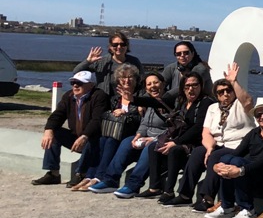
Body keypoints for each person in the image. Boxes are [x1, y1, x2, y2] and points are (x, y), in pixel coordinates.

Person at [168, 63, 254, 208]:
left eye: (228, 90)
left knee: (215, 156)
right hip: (217, 144)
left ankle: (207, 198)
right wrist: (209, 148)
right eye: (221, 92)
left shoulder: (240, 106)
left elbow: (247, 101)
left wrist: (233, 82)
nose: (225, 94)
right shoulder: (213, 108)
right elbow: (206, 132)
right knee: (198, 153)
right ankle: (184, 194)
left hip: (237, 145)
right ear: (216, 95)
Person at [206, 101, 263, 218]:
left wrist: (241, 170)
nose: (262, 117)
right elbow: (237, 152)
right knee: (227, 159)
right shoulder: (254, 133)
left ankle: (248, 209)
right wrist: (218, 165)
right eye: (258, 115)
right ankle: (227, 207)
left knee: (237, 162)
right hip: (251, 173)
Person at [32, 70, 110, 187]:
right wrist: (48, 130)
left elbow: (97, 120)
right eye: (73, 82)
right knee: (54, 133)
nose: (75, 85)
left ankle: (81, 173)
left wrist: (84, 136)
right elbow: (58, 115)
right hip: (76, 137)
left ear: (91, 85)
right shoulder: (68, 96)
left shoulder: (99, 96)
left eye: (79, 83)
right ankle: (53, 173)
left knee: (91, 138)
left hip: (94, 140)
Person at [111, 71, 175, 199]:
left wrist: (154, 138)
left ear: (163, 84)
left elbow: (174, 128)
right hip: (147, 137)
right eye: (149, 84)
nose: (153, 86)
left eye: (156, 83)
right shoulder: (149, 102)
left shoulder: (170, 101)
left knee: (150, 147)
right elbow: (145, 123)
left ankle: (133, 185)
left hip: (164, 140)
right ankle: (110, 180)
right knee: (127, 142)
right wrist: (138, 135)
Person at [82, 63, 144, 192]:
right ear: (118, 80)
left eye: (130, 77)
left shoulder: (142, 97)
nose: (126, 80)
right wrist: (113, 112)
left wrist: (126, 113)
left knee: (111, 140)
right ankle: (90, 175)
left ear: (136, 79)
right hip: (116, 131)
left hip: (132, 133)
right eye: (123, 77)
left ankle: (100, 177)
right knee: (101, 139)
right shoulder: (115, 99)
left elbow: (142, 120)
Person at [151, 73, 212, 202]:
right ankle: (155, 187)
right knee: (153, 147)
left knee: (175, 150)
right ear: (183, 88)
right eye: (187, 86)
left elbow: (198, 128)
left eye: (195, 85)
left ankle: (169, 191)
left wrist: (175, 142)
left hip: (196, 142)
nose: (191, 89)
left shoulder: (206, 103)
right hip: (180, 138)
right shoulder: (182, 102)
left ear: (201, 86)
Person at [75, 32, 143, 96]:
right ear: (110, 46)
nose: (119, 47)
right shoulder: (102, 61)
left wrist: (139, 100)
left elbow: (142, 82)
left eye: (122, 44)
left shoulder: (134, 62)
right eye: (115, 45)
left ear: (127, 46)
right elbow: (76, 72)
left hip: (128, 100)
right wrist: (88, 61)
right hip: (104, 100)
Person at [160, 40, 213, 105]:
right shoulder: (171, 68)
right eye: (178, 54)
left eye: (186, 53)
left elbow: (183, 87)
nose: (182, 55)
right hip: (179, 105)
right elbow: (160, 84)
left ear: (192, 54)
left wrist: (164, 98)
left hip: (201, 104)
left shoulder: (201, 69)